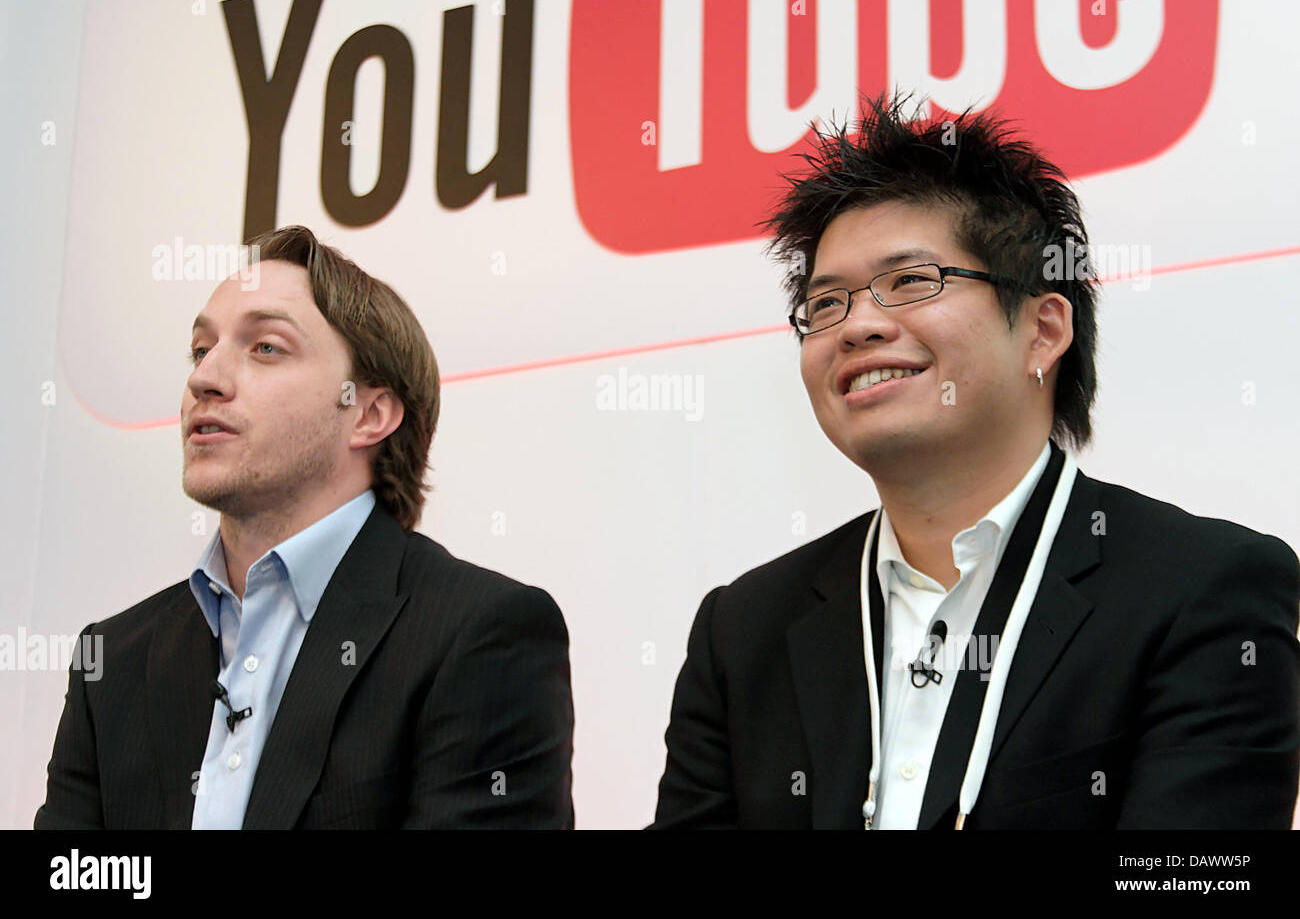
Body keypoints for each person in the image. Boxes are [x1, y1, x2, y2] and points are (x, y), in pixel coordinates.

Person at [652, 94, 1300, 829]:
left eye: (910, 281)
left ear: (1043, 330)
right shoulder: (744, 630)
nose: (859, 324)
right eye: (825, 304)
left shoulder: (1201, 589)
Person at [35, 225, 574, 828]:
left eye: (265, 347)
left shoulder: (480, 633)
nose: (203, 379)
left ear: (368, 413)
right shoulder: (112, 660)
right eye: (200, 349)